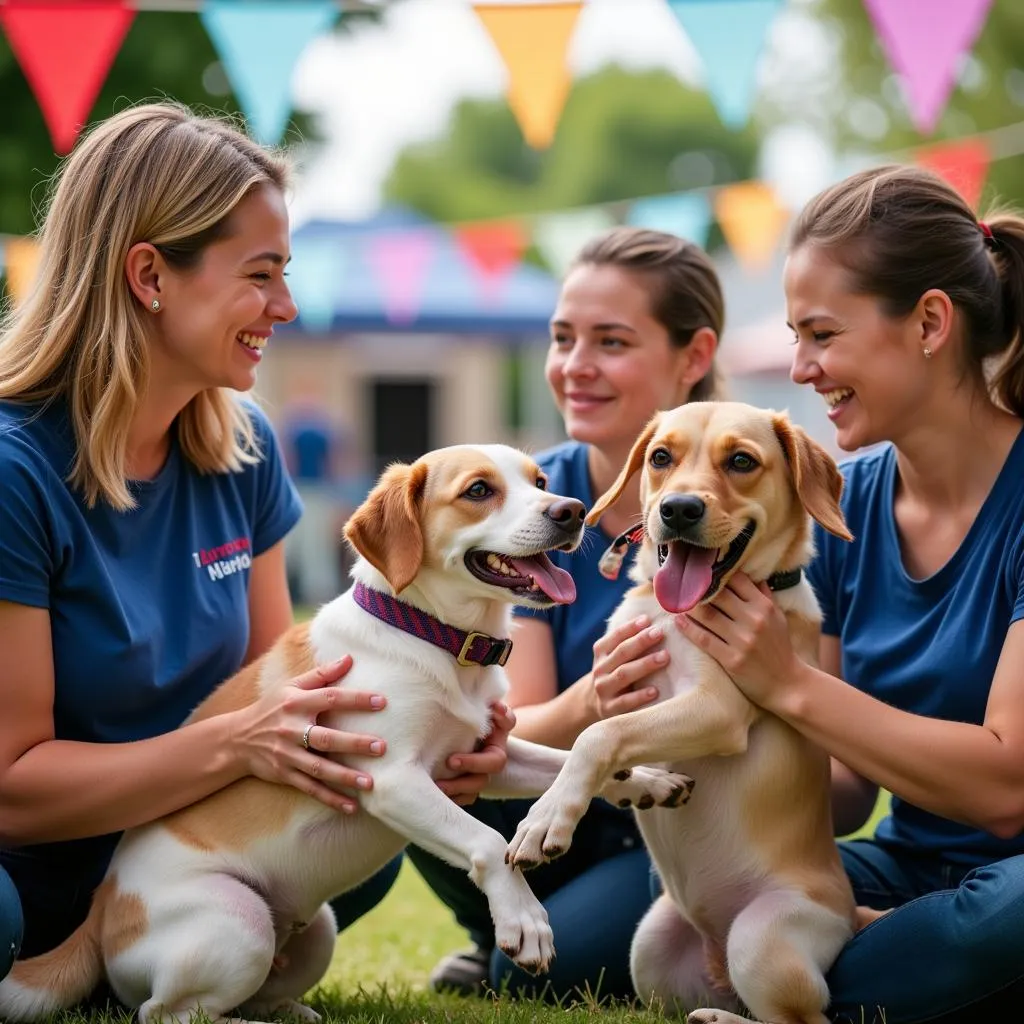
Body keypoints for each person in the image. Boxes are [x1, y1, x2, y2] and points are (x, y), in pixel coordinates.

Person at [0, 101, 506, 995]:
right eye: (261, 274)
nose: (288, 305)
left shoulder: (247, 448)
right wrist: (241, 747)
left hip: (181, 851)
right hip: (35, 861)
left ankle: (165, 957)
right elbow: (16, 789)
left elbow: (295, 691)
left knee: (367, 837)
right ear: (150, 274)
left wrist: (438, 738)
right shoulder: (16, 470)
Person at [607, 165, 1024, 1024]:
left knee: (995, 924)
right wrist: (676, 703)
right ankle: (834, 974)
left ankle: (817, 983)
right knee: (614, 938)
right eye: (797, 338)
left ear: (931, 323)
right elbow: (841, 794)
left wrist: (788, 686)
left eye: (821, 335)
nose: (800, 368)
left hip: (1011, 884)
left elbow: (1004, 787)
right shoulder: (839, 503)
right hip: (898, 864)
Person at [408, 227, 724, 1001]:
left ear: (693, 356)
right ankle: (499, 931)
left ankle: (510, 950)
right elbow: (514, 723)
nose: (575, 366)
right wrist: (594, 703)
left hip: (685, 835)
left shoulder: (741, 500)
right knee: (423, 772)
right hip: (559, 805)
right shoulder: (532, 499)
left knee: (534, 980)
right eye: (562, 338)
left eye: (610, 341)